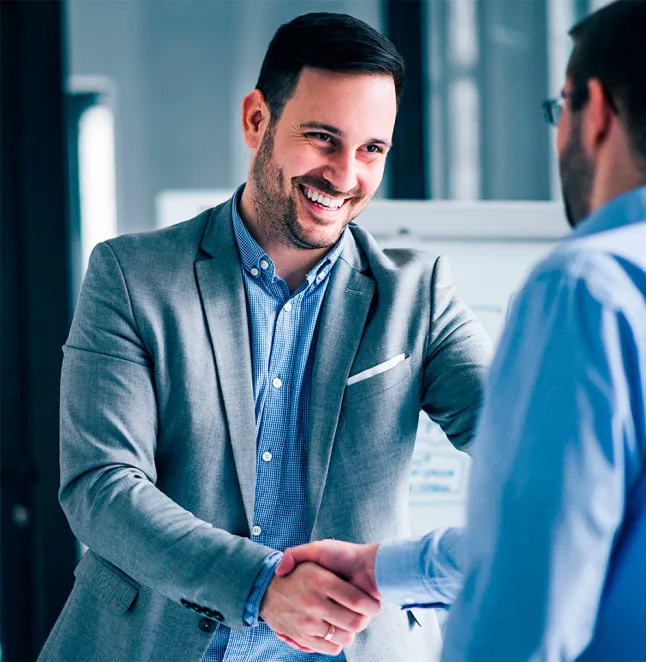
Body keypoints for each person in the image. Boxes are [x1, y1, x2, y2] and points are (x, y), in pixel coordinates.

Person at [275, 1, 646, 660]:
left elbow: (525, 609)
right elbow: (563, 531)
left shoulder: (588, 288)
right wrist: (381, 568)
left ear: (595, 111)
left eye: (558, 110)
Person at [40, 12, 492, 662]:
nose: (344, 175)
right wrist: (259, 587)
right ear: (257, 120)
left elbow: (529, 445)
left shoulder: (416, 298)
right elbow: (101, 485)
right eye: (322, 138)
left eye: (371, 150)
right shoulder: (131, 276)